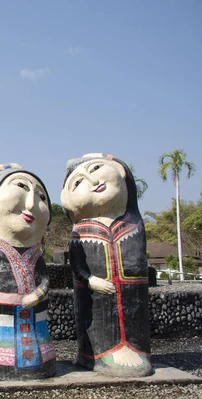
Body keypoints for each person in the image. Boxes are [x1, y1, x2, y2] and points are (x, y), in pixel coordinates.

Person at [61, 153, 152, 377]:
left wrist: (110, 157)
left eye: (96, 169)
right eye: (78, 182)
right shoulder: (80, 231)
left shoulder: (133, 222)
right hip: (94, 292)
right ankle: (94, 355)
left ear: (121, 172)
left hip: (132, 291)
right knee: (97, 322)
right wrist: (90, 280)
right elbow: (77, 265)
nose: (92, 181)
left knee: (134, 320)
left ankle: (136, 350)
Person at [0, 163, 56, 380]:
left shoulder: (36, 255)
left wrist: (37, 293)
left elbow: (43, 278)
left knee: (38, 339)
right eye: (20, 186)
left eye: (41, 197)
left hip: (35, 321)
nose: (31, 204)